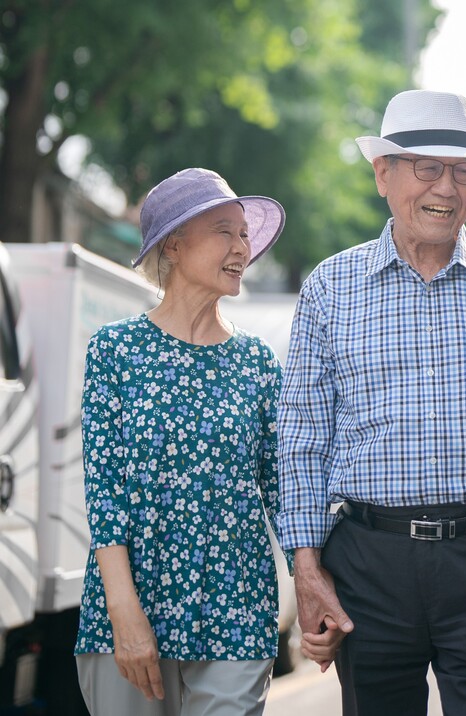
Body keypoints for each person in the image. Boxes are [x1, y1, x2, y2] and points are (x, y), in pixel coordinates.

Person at [276, 89, 466, 716]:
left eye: (462, 170)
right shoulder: (330, 287)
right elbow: (302, 441)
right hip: (368, 564)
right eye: (428, 169)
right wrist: (306, 570)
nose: (447, 187)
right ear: (383, 174)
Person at [74, 168, 286, 715]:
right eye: (225, 231)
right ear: (173, 243)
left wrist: (313, 583)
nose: (242, 247)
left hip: (236, 606)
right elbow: (105, 491)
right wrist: (123, 612)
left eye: (244, 234)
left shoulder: (258, 363)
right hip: (131, 601)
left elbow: (282, 488)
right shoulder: (115, 350)